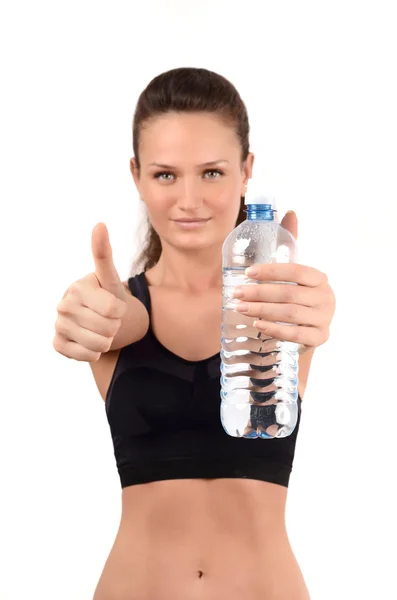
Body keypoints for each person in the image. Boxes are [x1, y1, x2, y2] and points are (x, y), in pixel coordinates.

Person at [53, 67, 336, 600]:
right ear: (136, 175)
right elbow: (120, 322)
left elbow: (311, 316)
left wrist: (317, 312)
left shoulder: (280, 308)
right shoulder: (114, 308)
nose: (188, 200)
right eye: (165, 175)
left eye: (211, 173)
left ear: (246, 170)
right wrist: (90, 316)